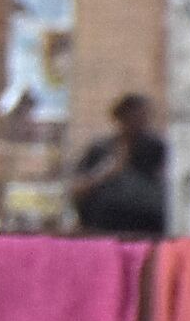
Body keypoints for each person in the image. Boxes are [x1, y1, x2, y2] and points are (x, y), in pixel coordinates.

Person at [64, 92, 168, 238]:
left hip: (144, 231)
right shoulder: (100, 149)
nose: (138, 122)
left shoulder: (157, 149)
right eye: (132, 116)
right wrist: (107, 172)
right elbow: (76, 188)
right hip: (101, 230)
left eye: (143, 116)